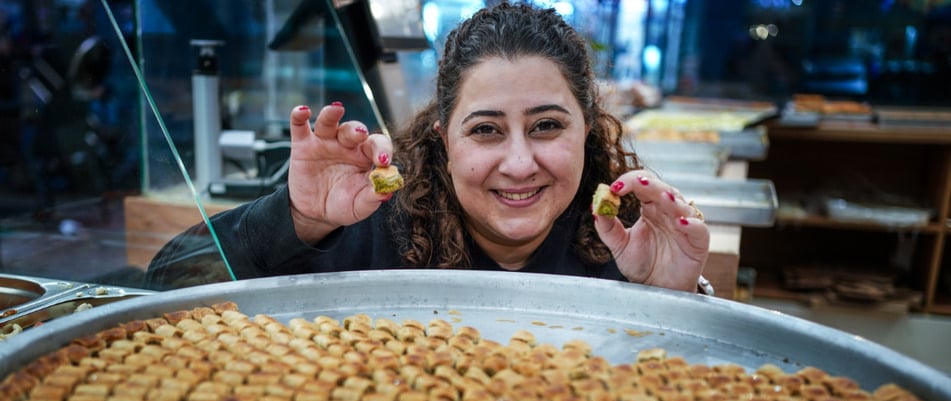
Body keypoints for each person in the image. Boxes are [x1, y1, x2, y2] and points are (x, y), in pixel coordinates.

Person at [146, 2, 710, 295]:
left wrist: (677, 299)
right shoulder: (373, 222)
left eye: (546, 127)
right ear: (443, 136)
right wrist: (293, 218)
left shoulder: (630, 242)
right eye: (485, 130)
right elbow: (166, 280)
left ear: (587, 128)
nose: (518, 163)